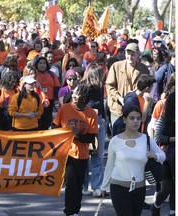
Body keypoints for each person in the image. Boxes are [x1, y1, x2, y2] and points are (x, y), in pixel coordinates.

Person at [100, 105, 166, 216]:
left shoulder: (146, 139)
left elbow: (163, 155)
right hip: (118, 188)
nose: (136, 121)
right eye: (132, 118)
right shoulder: (115, 141)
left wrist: (155, 156)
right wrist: (104, 187)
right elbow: (110, 165)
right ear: (124, 120)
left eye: (138, 118)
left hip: (139, 189)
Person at [52, 83, 98, 216]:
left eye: (77, 94)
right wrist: (64, 131)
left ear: (84, 97)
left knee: (78, 186)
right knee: (71, 183)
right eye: (74, 93)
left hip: (82, 155)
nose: (73, 96)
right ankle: (69, 211)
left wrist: (78, 135)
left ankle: (75, 210)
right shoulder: (64, 109)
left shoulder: (91, 114)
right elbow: (53, 127)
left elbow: (90, 138)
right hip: (67, 153)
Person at [106, 42, 149, 127]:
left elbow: (147, 87)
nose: (130, 57)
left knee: (133, 137)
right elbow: (109, 86)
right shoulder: (116, 66)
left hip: (135, 110)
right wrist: (119, 98)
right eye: (128, 54)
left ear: (138, 55)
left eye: (132, 54)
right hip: (118, 108)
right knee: (117, 136)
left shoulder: (143, 69)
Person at [81, 64, 106, 197]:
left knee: (97, 156)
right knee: (84, 156)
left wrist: (103, 119)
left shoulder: (100, 87)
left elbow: (101, 104)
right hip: (86, 124)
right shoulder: (83, 88)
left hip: (99, 122)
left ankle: (97, 186)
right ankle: (84, 186)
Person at [152, 92, 175, 216]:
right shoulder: (165, 118)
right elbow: (158, 137)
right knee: (166, 188)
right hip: (166, 157)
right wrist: (174, 139)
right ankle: (156, 206)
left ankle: (172, 212)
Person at [34, 57, 60, 130]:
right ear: (37, 65)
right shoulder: (34, 74)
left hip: (49, 100)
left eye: (44, 63)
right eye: (40, 63)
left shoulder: (52, 74)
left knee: (47, 119)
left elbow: (57, 86)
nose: (42, 65)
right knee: (38, 119)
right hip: (37, 101)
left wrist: (56, 99)